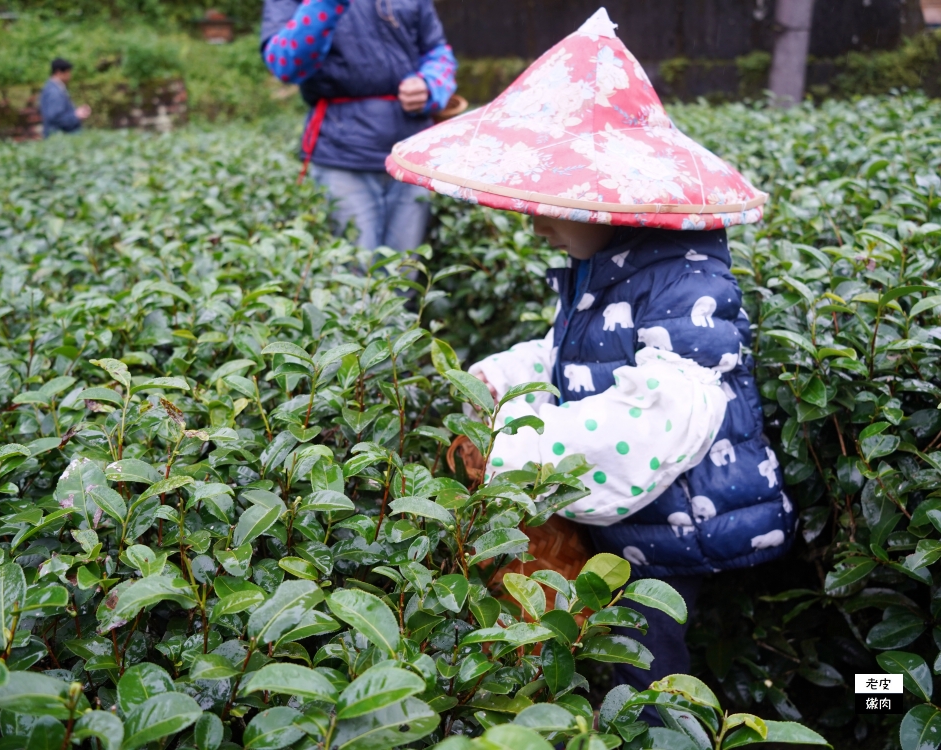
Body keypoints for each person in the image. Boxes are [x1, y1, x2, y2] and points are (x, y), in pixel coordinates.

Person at [385, 7, 796, 716]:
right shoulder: (603, 266)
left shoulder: (685, 280)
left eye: (552, 197)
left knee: (642, 669)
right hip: (635, 520)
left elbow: (663, 412)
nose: (532, 217)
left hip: (674, 523)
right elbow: (570, 358)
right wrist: (497, 377)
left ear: (614, 197)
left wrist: (523, 449)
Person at [259, 0, 457, 255]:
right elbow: (284, 63)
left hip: (411, 157)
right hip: (342, 156)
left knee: (405, 273)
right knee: (351, 275)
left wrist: (430, 85)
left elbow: (438, 51)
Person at [39, 58, 91, 139]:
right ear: (59, 72)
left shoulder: (54, 88)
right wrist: (76, 115)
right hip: (59, 139)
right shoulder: (54, 92)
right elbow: (56, 119)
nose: (70, 76)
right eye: (68, 72)